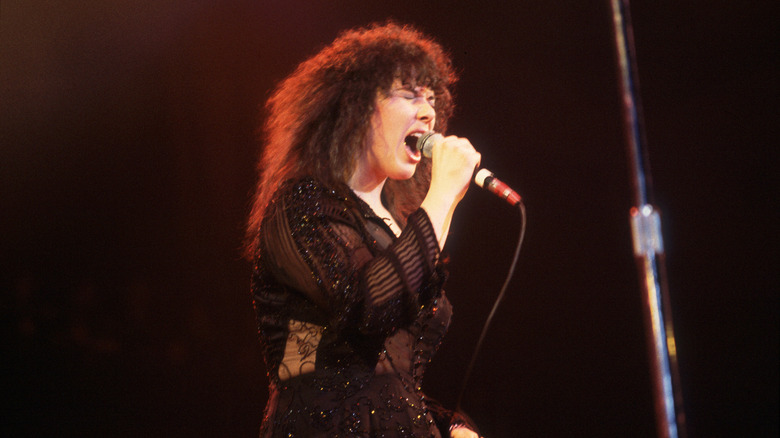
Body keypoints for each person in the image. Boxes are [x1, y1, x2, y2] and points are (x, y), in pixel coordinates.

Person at [245, 21, 483, 438]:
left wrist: (450, 425)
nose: (428, 111)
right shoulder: (301, 206)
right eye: (409, 95)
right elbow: (364, 312)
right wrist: (442, 195)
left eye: (431, 98)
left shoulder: (397, 224)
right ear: (356, 108)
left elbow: (388, 376)